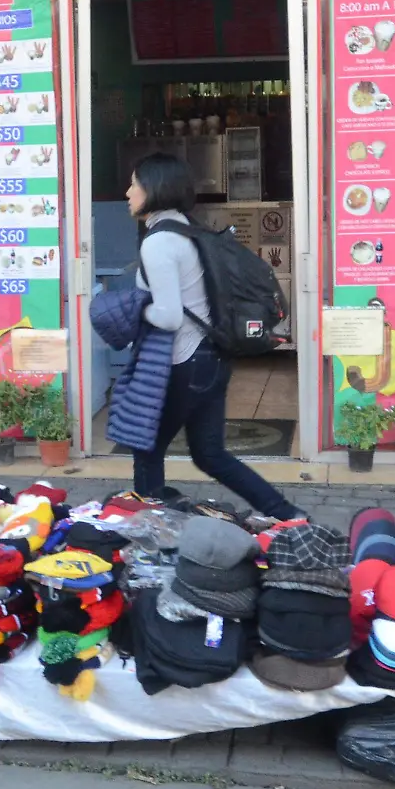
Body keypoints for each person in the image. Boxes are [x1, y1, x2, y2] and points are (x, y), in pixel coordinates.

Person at [124, 152, 301, 521]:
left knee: (149, 447)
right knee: (209, 454)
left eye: (135, 184)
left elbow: (169, 316)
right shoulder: (190, 230)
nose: (128, 192)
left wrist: (133, 308)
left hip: (184, 361)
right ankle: (287, 514)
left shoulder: (158, 242)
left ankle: (153, 532)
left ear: (154, 189)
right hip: (212, 358)